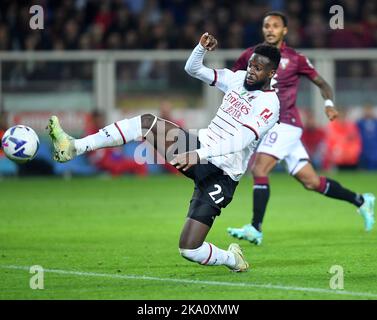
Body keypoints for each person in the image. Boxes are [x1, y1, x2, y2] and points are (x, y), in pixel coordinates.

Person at [47, 32, 281, 272]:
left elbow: (241, 140)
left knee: (189, 249)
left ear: (271, 73)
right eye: (251, 64)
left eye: (259, 68)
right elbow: (193, 69)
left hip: (222, 174)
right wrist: (200, 48)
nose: (252, 71)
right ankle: (76, 146)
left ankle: (232, 259)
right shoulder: (237, 79)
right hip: (198, 146)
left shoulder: (269, 105)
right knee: (147, 123)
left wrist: (198, 156)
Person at [227, 11, 375, 244]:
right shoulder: (250, 55)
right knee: (311, 181)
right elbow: (232, 80)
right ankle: (361, 200)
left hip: (286, 122)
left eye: (276, 25)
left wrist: (328, 104)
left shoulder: (295, 58)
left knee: (259, 169)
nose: (270, 29)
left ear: (285, 30)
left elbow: (322, 83)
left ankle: (255, 228)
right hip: (269, 124)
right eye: (266, 25)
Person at [357, 104, 377, 170]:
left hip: (374, 150)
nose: (368, 111)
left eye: (369, 109)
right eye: (366, 109)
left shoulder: (375, 122)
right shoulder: (359, 123)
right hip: (363, 150)